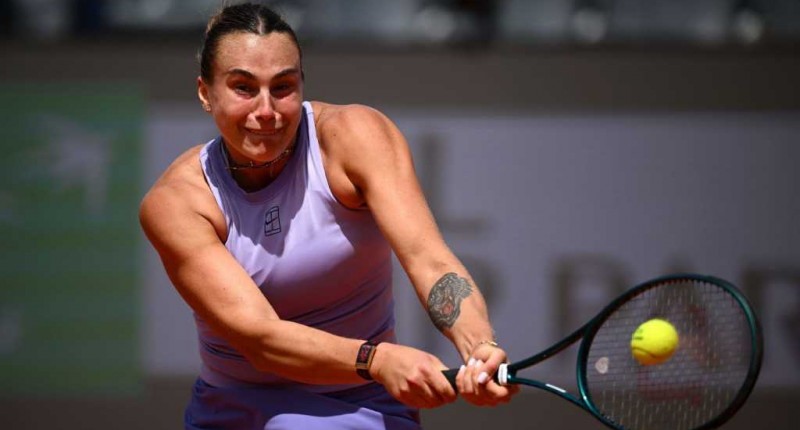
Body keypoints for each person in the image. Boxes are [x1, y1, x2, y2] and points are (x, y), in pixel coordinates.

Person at [139, 3, 517, 429]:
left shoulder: (355, 137)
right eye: (243, 88)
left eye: (283, 86)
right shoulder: (177, 202)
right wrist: (377, 360)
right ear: (206, 93)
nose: (266, 110)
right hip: (233, 410)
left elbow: (430, 261)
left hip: (361, 402)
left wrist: (479, 346)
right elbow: (261, 338)